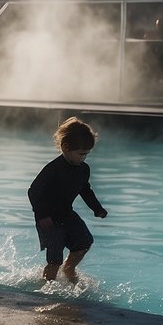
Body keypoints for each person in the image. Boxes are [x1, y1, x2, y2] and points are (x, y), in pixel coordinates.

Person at [28, 116, 108, 283]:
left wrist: (97, 208)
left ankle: (69, 268)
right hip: (48, 219)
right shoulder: (53, 169)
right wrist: (42, 215)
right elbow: (34, 191)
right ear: (65, 148)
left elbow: (85, 190)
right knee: (54, 259)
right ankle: (46, 287)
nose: (83, 158)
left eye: (86, 154)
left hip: (66, 214)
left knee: (84, 242)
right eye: (81, 154)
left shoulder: (83, 169)